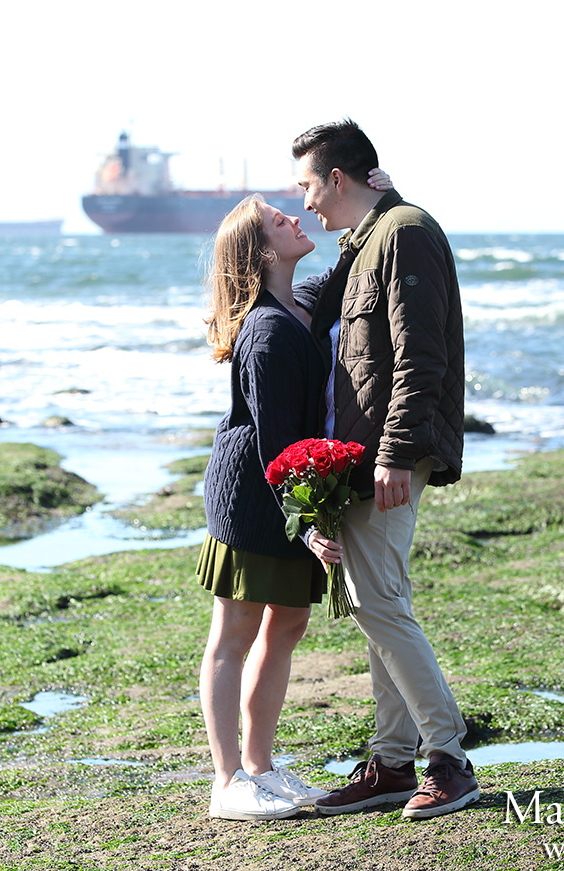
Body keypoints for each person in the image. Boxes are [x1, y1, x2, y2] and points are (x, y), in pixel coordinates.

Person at [291, 119, 478, 820]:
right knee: (380, 604)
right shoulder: (371, 237)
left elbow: (419, 354)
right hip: (367, 455)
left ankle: (447, 760)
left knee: (376, 605)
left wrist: (397, 452)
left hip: (390, 453)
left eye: (308, 185)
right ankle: (393, 762)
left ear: (338, 178)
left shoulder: (403, 231)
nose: (306, 201)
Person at [197, 173, 392, 820]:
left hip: (284, 492)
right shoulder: (270, 332)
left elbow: (340, 280)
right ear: (263, 252)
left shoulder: (299, 307)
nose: (296, 220)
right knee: (234, 632)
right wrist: (305, 526)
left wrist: (377, 201)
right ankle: (229, 782)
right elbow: (273, 442)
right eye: (280, 221)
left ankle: (261, 767)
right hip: (253, 497)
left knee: (289, 624)